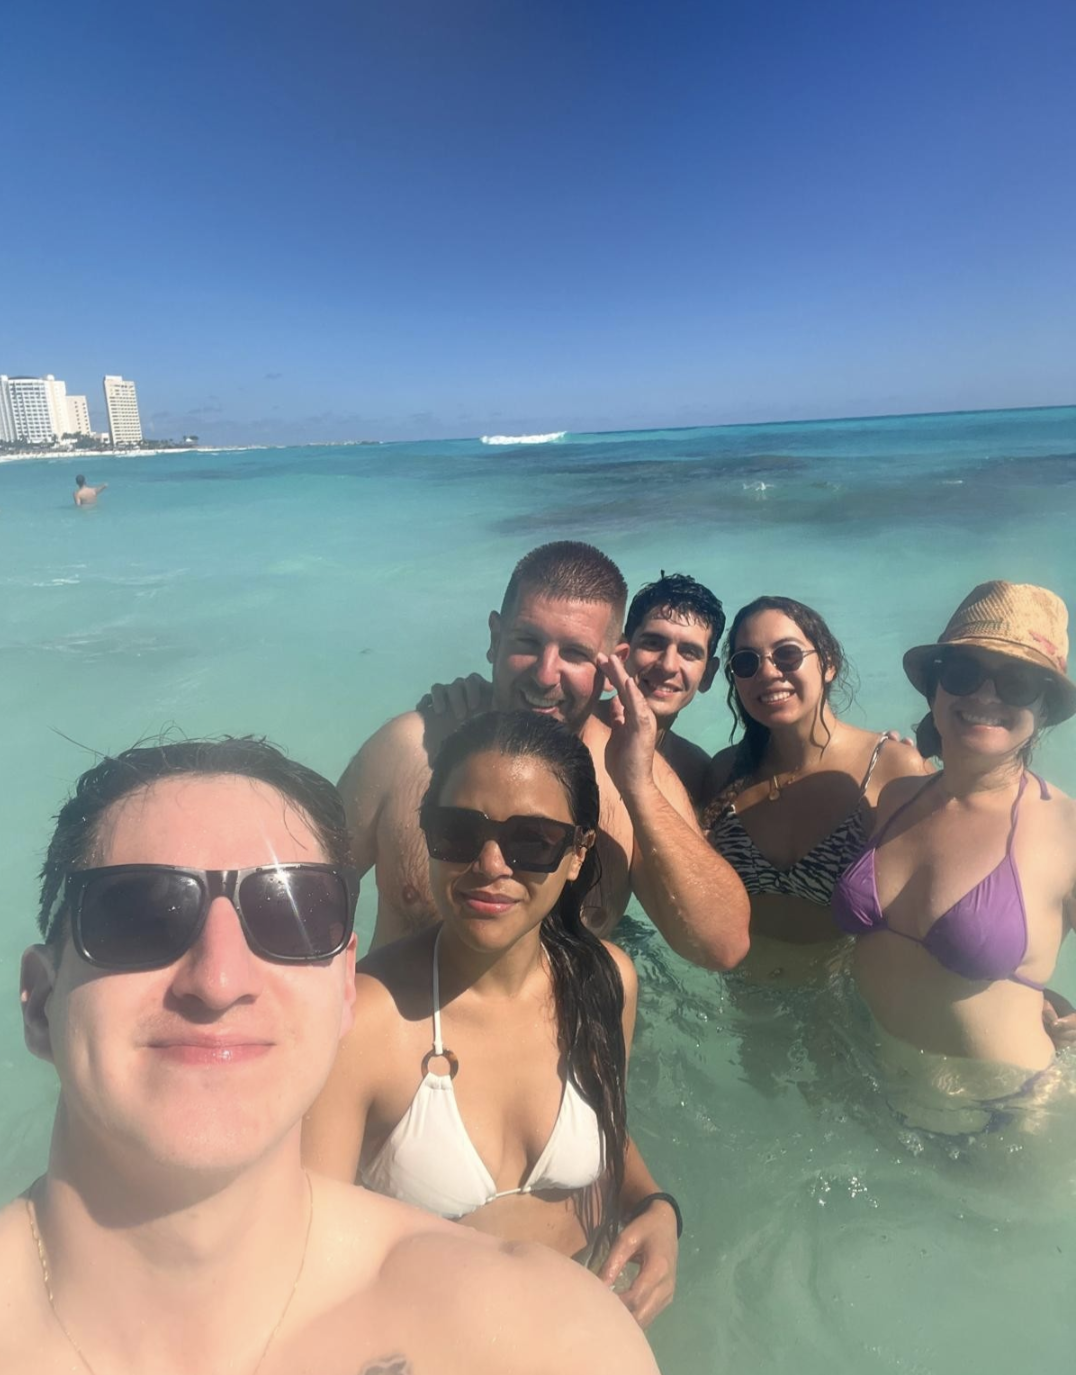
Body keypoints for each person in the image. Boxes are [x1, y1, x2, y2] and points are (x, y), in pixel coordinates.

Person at [0, 738, 658, 1375]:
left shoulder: (553, 1336)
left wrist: (656, 1205)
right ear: (39, 1002)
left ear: (342, 990)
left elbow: (610, 1124)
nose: (220, 979)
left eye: (289, 915)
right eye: (143, 915)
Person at [306, 711, 679, 1328]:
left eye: (531, 840)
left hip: (583, 1324)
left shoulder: (605, 982)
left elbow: (609, 1133)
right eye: (457, 831)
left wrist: (656, 1206)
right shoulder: (364, 1020)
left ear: (577, 853)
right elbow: (307, 1262)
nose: (489, 863)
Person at [340, 540, 749, 967]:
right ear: (495, 638)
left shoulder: (635, 776)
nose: (545, 674)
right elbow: (302, 901)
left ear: (615, 661)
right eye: (527, 642)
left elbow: (720, 947)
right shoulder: (407, 750)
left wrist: (639, 788)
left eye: (575, 653)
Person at [833, 582, 1076, 1127]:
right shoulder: (896, 797)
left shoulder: (1067, 830)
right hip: (866, 1080)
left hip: (1001, 1116)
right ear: (935, 688)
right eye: (964, 673)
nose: (985, 696)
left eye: (1016, 683)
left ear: (1043, 707)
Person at [704, 596, 931, 983]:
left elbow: (948, 880)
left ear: (828, 663)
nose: (767, 672)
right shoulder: (724, 772)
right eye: (746, 662)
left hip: (842, 999)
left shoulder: (892, 767)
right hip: (740, 997)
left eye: (787, 654)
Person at [614, 572, 725, 805]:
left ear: (708, 675)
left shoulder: (697, 770)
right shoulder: (574, 737)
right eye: (653, 643)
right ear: (622, 652)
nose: (667, 665)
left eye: (689, 652)